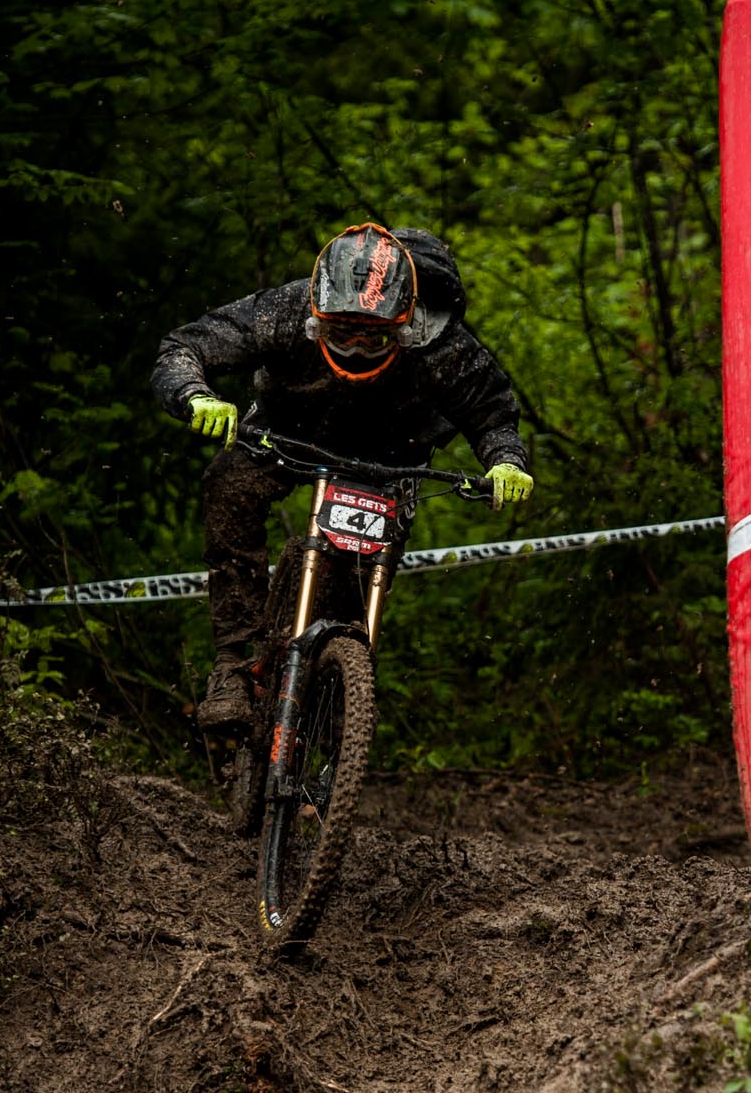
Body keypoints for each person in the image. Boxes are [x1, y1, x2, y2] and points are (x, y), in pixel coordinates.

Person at [153, 223, 534, 731]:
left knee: (365, 569)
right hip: (286, 433)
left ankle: (339, 693)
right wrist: (194, 395)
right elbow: (186, 346)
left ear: (405, 322)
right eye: (340, 332)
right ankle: (232, 664)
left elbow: (493, 415)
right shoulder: (287, 310)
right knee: (230, 483)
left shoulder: (443, 343)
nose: (355, 345)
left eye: (372, 335)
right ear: (317, 315)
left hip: (390, 456)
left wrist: (506, 461)